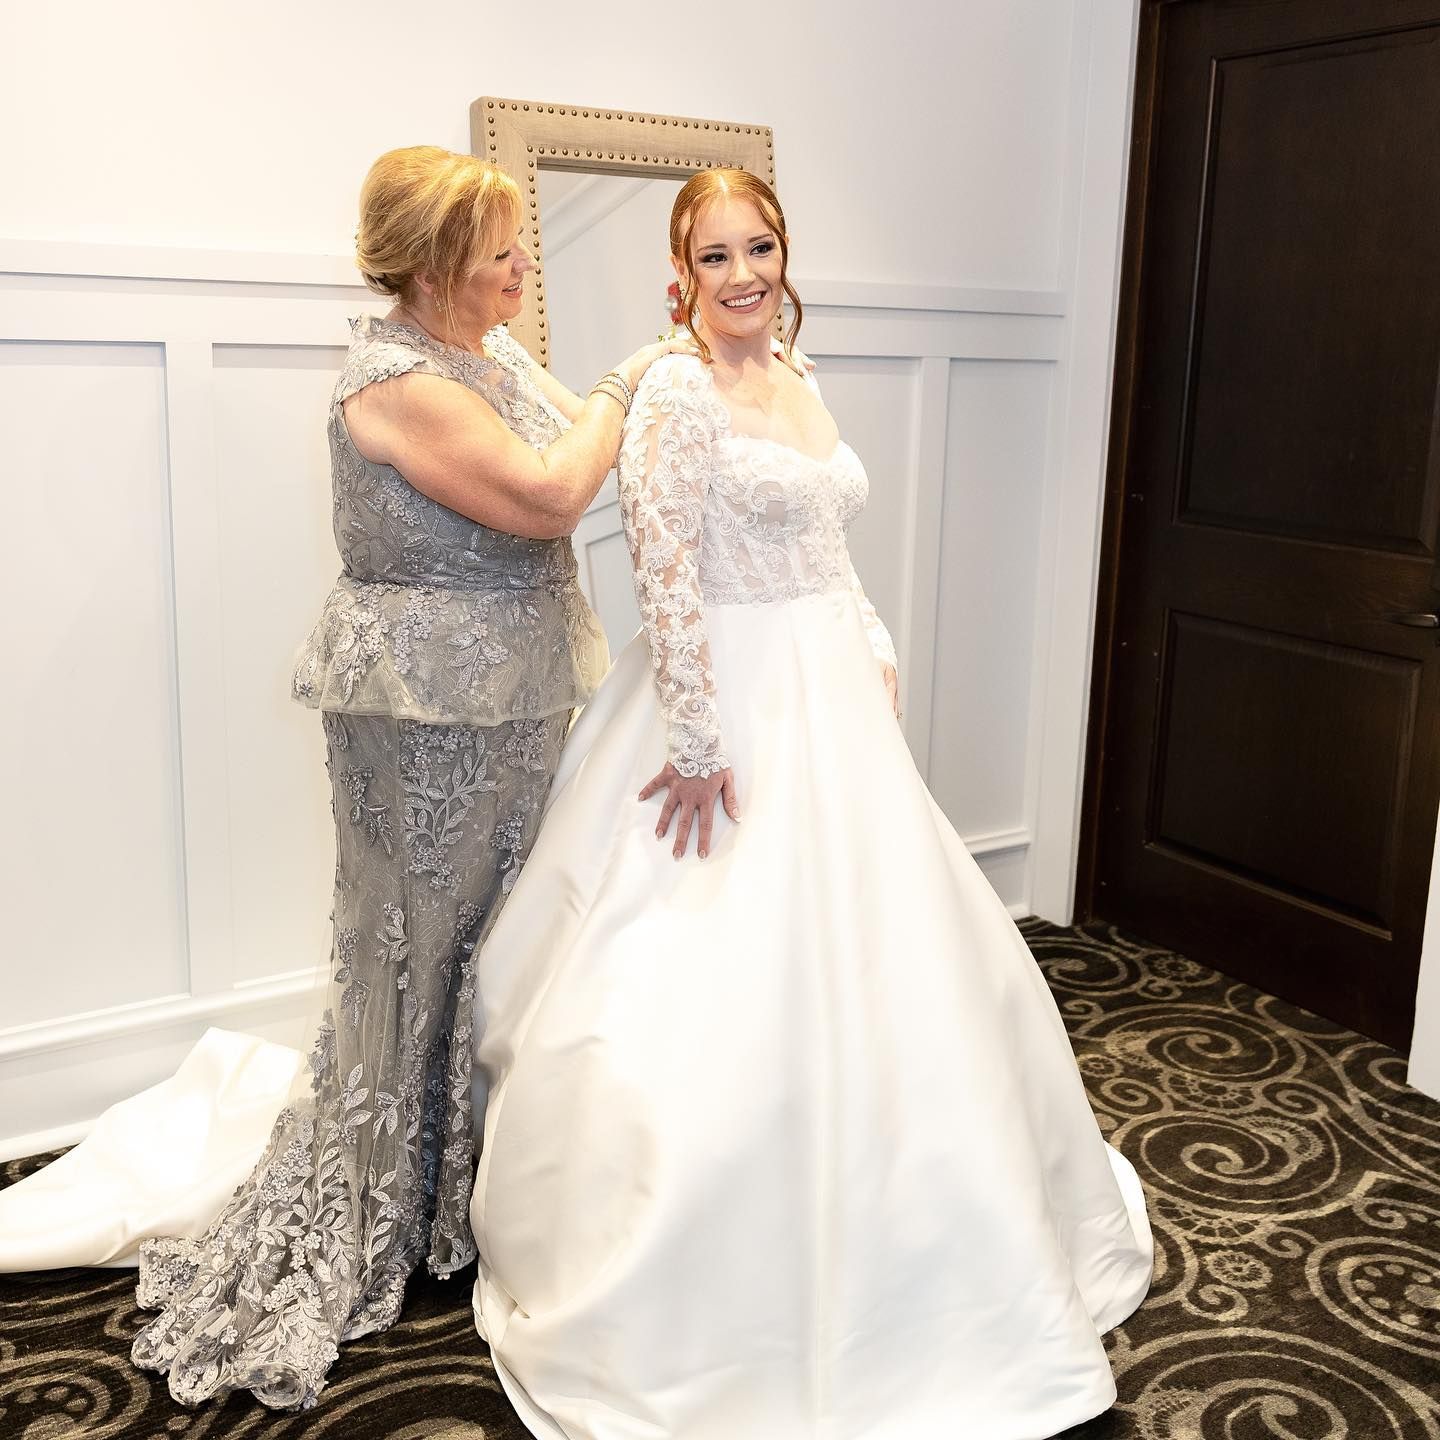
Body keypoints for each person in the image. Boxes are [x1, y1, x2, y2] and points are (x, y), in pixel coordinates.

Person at [466, 169, 1155, 1440]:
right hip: (724, 709)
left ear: (786, 254)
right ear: (680, 273)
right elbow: (664, 572)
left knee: (903, 978)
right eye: (715, 256)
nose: (743, 276)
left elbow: (829, 542)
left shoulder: (797, 371)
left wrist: (875, 637)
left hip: (830, 694)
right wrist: (696, 740)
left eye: (760, 248)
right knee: (707, 975)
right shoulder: (671, 390)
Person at [0, 145, 690, 1413]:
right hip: (423, 712)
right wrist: (634, 372)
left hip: (523, 694)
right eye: (497, 250)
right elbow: (545, 495)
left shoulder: (495, 358)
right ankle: (383, 1197)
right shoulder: (394, 382)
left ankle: (468, 1193)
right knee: (417, 942)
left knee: (503, 941)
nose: (519, 266)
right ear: (434, 264)